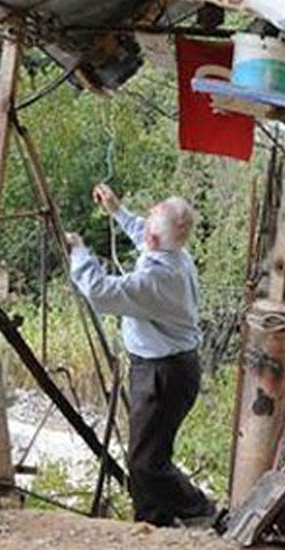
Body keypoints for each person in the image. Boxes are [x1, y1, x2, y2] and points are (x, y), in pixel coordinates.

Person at [64, 184, 217, 527]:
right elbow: (145, 236)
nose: (147, 213)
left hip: (163, 373)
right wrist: (117, 210)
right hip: (167, 367)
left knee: (146, 463)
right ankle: (151, 522)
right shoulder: (174, 253)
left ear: (154, 238)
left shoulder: (157, 279)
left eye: (152, 214)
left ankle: (201, 511)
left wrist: (79, 251)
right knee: (148, 455)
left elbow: (100, 293)